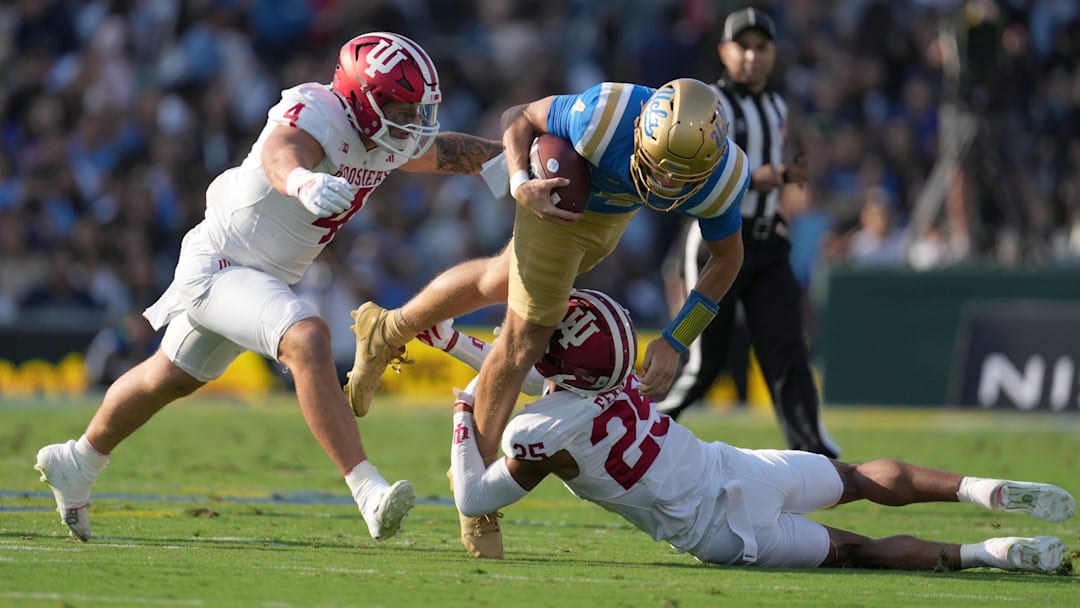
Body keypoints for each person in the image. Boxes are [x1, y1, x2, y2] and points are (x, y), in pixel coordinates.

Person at [33, 32, 503, 543]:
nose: (412, 122)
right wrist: (302, 181)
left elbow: (446, 151)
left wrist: (518, 162)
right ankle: (367, 489)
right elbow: (283, 150)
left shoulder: (384, 138)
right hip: (220, 263)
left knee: (166, 378)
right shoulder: (317, 109)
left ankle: (76, 461)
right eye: (401, 107)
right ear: (363, 98)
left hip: (261, 276)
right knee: (308, 338)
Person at [345, 77, 751, 557]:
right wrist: (521, 183)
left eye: (679, 178)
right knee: (526, 338)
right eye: (659, 167)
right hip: (560, 195)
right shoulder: (605, 114)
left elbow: (727, 258)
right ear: (642, 130)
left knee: (498, 279)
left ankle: (386, 330)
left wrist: (677, 338)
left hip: (609, 212)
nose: (664, 184)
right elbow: (518, 115)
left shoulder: (724, 175)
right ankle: (475, 491)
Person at [446, 288, 1075, 571]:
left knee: (854, 550)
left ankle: (986, 555)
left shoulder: (542, 433)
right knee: (856, 475)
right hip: (735, 466)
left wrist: (461, 414)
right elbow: (528, 369)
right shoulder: (616, 374)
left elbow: (476, 494)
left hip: (719, 531)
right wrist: (448, 340)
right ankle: (978, 487)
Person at [658, 8, 840, 458]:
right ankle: (642, 429)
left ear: (774, 53)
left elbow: (771, 176)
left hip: (766, 245)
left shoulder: (776, 105)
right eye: (743, 46)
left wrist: (778, 197)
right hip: (717, 246)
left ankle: (814, 452)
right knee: (703, 362)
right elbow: (714, 170)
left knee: (788, 352)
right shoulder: (709, 104)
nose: (752, 56)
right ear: (723, 51)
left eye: (761, 47)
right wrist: (774, 176)